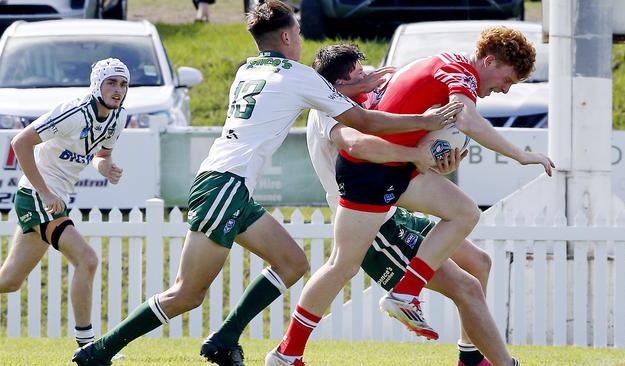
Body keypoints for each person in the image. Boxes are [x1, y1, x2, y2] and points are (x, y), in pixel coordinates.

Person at [72, 1, 461, 365]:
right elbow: (368, 122)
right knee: (187, 293)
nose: (302, 39)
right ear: (289, 37)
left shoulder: (248, 69)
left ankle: (225, 338)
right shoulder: (299, 77)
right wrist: (428, 122)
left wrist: (361, 84)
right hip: (225, 187)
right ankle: (101, 351)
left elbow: (314, 94)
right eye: (300, 32)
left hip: (224, 184)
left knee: (292, 263)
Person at [268, 27, 554, 366]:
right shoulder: (455, 73)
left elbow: (411, 136)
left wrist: (432, 162)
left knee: (469, 228)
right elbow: (459, 121)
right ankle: (287, 354)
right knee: (342, 266)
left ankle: (437, 324)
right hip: (369, 184)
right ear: (490, 60)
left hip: (394, 176)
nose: (506, 89)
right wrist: (520, 154)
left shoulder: (441, 69)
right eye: (508, 79)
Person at [0, 58, 129, 348]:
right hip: (35, 197)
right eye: (111, 82)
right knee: (88, 259)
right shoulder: (73, 112)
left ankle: (87, 347)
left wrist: (105, 168)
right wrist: (45, 192)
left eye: (123, 84)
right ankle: (88, 347)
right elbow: (20, 142)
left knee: (9, 280)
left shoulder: (117, 117)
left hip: (52, 200)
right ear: (97, 84)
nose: (118, 89)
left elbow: (101, 156)